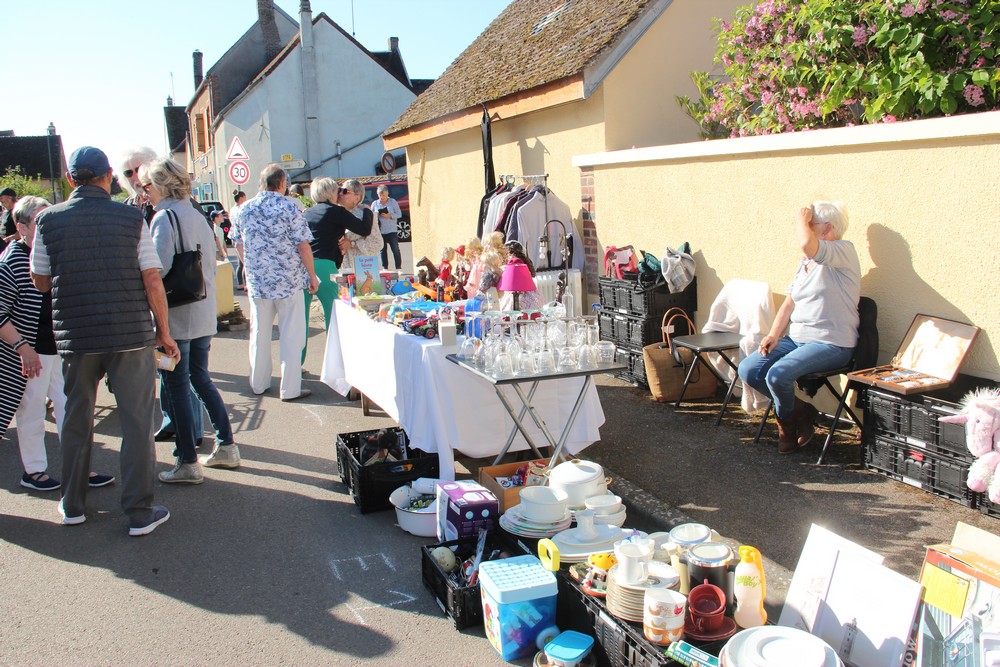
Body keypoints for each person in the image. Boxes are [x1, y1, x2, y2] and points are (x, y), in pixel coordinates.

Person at [30, 146, 180, 536]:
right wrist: (164, 333)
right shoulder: (131, 218)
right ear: (109, 175)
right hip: (129, 332)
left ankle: (73, 504)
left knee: (75, 419)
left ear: (70, 179)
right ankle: (139, 511)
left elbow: (41, 281)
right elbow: (152, 279)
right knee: (136, 422)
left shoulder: (47, 220)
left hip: (76, 334)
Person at [0, 196, 114, 492]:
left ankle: (80, 469)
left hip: (61, 347)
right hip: (31, 352)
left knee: (72, 410)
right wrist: (23, 348)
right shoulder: (11, 261)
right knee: (32, 411)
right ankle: (34, 471)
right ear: (21, 227)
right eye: (40, 221)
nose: (48, 226)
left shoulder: (54, 252)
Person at [142, 158, 241, 482]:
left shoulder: (165, 217)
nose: (145, 192)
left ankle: (187, 461)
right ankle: (226, 445)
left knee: (176, 385)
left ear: (160, 185)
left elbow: (157, 270)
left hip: (175, 319)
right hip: (201, 313)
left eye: (146, 185)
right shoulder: (197, 214)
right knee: (199, 378)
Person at [737, 201, 861, 454]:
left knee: (777, 375)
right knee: (749, 369)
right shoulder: (806, 262)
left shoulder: (843, 251)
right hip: (797, 339)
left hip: (831, 343)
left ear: (828, 228)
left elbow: (806, 243)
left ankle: (786, 425)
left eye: (811, 224)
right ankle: (802, 410)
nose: (805, 229)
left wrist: (800, 219)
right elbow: (789, 303)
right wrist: (773, 334)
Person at [231, 164, 319, 401]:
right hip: (288, 281)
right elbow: (303, 245)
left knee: (259, 333)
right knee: (291, 335)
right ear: (282, 184)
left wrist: (250, 266)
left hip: (259, 282)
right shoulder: (289, 208)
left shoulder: (243, 209)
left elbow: (238, 243)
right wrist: (311, 275)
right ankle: (289, 388)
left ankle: (258, 383)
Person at [301, 177, 371, 361]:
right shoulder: (336, 212)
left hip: (303, 266)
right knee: (333, 316)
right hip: (325, 265)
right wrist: (367, 210)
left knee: (301, 319)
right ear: (331, 192)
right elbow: (364, 229)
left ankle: (296, 365)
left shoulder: (306, 213)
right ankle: (335, 362)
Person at [339, 179, 381, 271]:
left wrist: (352, 244)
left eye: (345, 191)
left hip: (364, 267)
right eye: (340, 190)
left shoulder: (364, 215)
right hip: (345, 267)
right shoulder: (337, 214)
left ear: (357, 197)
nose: (341, 193)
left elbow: (377, 243)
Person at [118, 147, 157, 224]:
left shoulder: (165, 203)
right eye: (129, 173)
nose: (136, 176)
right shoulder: (124, 208)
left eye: (138, 169)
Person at [371, 184, 402, 270]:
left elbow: (399, 214)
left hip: (392, 230)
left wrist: (390, 216)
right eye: (380, 195)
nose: (382, 197)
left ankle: (398, 268)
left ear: (387, 193)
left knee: (395, 249)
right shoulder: (375, 203)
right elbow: (371, 216)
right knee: (382, 250)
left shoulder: (393, 202)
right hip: (380, 230)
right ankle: (385, 268)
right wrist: (376, 215)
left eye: (383, 195)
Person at [230, 190, 248, 290]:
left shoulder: (233, 209)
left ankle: (241, 283)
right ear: (241, 198)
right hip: (240, 237)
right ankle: (245, 284)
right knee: (245, 262)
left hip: (234, 236)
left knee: (240, 262)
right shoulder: (241, 209)